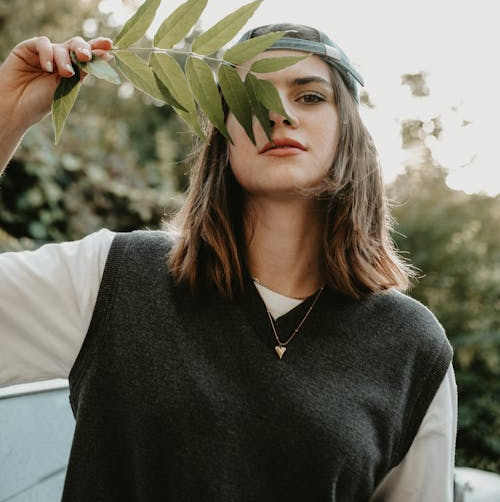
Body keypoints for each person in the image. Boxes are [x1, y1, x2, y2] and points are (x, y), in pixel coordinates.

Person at [0, 25, 456, 501]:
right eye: (249, 96)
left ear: (349, 131)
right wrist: (5, 115)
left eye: (310, 97)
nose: (277, 113)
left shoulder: (412, 350)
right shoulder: (110, 279)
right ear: (221, 134)